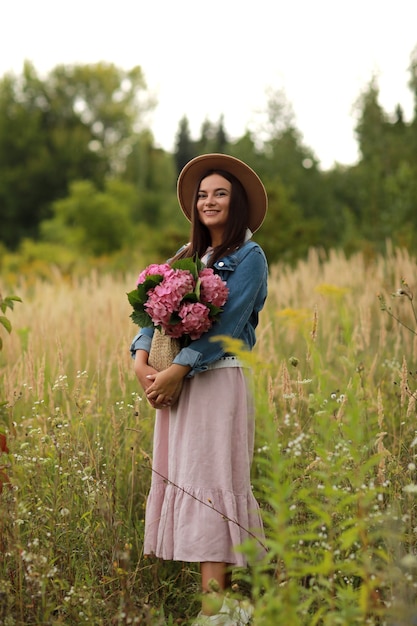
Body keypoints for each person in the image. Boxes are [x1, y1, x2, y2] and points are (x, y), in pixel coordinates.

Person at [130, 153, 269, 624]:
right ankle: (217, 610)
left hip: (216, 381)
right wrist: (141, 360)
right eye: (202, 195)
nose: (209, 201)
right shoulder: (183, 258)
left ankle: (217, 614)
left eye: (220, 193)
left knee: (213, 483)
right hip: (178, 382)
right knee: (191, 482)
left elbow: (228, 324)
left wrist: (179, 370)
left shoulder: (249, 257)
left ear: (238, 203)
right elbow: (150, 313)